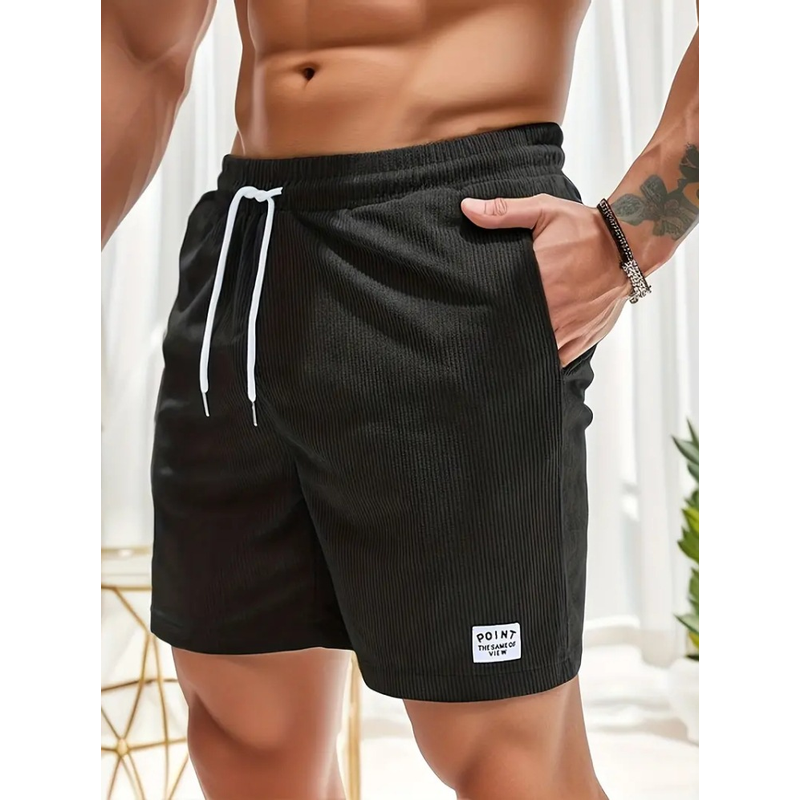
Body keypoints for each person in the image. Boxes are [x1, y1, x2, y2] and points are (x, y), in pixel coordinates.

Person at [101, 1, 699, 797]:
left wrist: (632, 235)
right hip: (246, 249)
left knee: (508, 757)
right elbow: (137, 48)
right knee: (243, 728)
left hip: (454, 239)